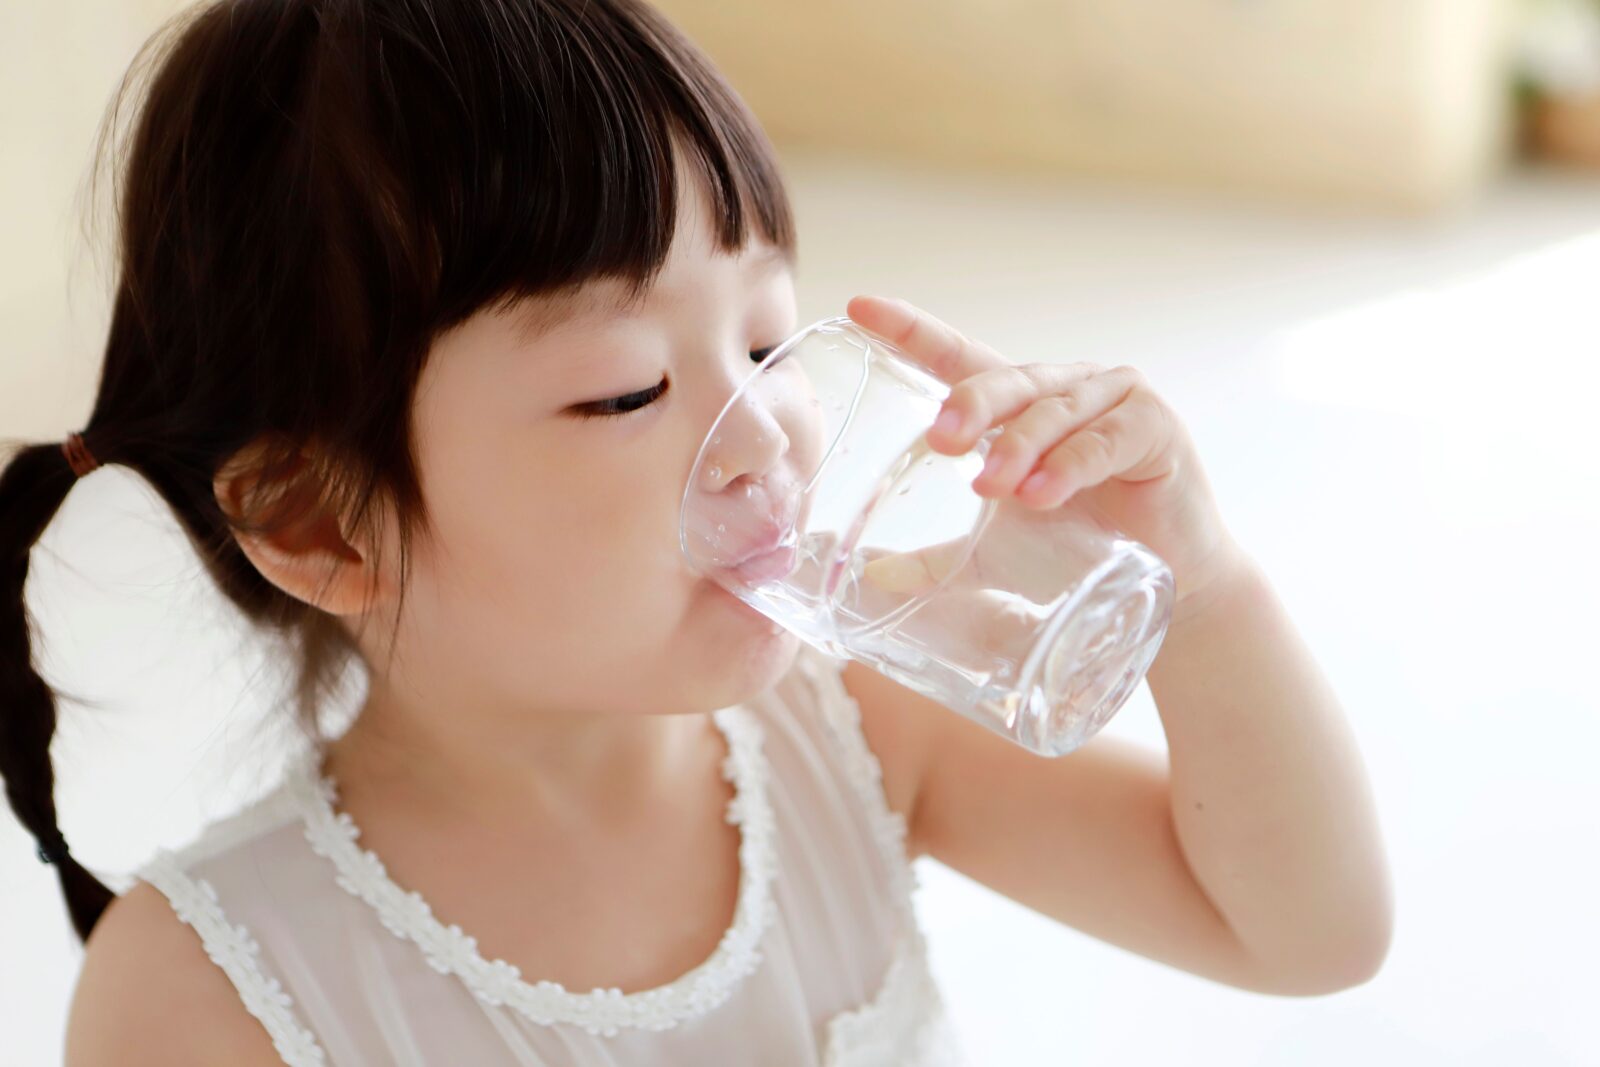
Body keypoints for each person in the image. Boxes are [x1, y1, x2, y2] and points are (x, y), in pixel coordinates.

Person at [2, 1, 1392, 1064]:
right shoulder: (212, 989)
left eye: (771, 334)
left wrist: (1197, 584)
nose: (773, 429)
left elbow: (1302, 934)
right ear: (322, 524)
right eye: (627, 388)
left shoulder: (861, 723)